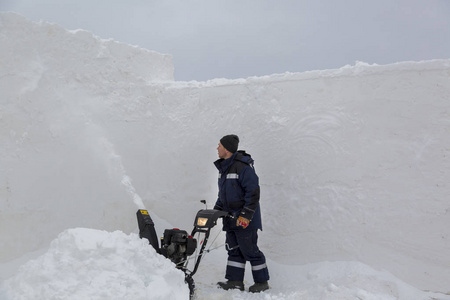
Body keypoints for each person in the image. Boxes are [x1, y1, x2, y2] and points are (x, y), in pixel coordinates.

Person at [213, 134, 270, 293]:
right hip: (230, 218)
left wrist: (245, 215)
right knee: (233, 249)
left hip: (244, 218)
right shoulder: (224, 167)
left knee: (249, 249)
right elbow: (223, 194)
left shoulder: (243, 167)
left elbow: (253, 192)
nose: (217, 148)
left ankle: (262, 282)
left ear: (227, 149)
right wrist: (216, 211)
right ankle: (235, 281)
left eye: (219, 145)